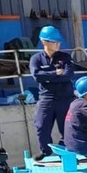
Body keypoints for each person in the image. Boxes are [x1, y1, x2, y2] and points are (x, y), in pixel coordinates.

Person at [29, 26, 75, 161]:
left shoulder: (65, 57)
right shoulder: (36, 59)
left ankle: (64, 150)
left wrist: (48, 77)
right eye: (54, 42)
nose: (58, 44)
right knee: (41, 126)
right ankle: (45, 151)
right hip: (46, 98)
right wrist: (55, 73)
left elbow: (68, 75)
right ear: (44, 42)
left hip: (65, 98)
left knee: (67, 127)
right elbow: (37, 76)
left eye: (58, 42)